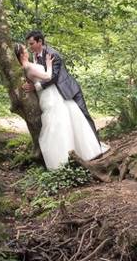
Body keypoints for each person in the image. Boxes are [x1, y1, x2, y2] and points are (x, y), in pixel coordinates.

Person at [19, 30, 107, 164]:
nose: (30, 47)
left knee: (84, 117)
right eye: (28, 45)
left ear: (40, 42)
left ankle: (96, 149)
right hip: (53, 94)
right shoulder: (35, 56)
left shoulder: (53, 54)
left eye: (32, 44)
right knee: (68, 122)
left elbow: (53, 77)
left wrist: (35, 87)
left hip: (69, 90)